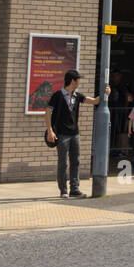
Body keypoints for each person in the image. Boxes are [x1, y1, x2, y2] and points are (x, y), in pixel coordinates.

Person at [45, 70, 103, 198]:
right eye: (78, 79)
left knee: (75, 161)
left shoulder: (77, 96)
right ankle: (63, 190)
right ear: (72, 81)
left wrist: (105, 93)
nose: (79, 82)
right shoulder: (58, 95)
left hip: (75, 133)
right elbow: (48, 112)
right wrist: (50, 130)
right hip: (62, 134)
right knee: (63, 163)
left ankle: (74, 189)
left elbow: (94, 101)